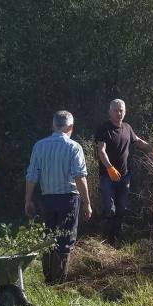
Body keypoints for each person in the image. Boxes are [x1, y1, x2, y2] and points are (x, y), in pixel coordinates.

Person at [25, 110, 92, 284]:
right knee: (66, 239)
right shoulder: (74, 147)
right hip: (69, 199)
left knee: (48, 237)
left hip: (47, 199)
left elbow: (32, 175)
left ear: (53, 125)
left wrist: (28, 200)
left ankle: (48, 278)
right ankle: (59, 282)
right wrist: (87, 203)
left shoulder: (39, 146)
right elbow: (79, 177)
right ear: (70, 126)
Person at [93, 99, 153, 245]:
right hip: (108, 177)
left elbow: (138, 141)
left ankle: (116, 238)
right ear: (110, 112)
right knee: (110, 208)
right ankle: (106, 238)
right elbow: (101, 150)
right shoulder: (104, 129)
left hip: (124, 176)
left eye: (122, 110)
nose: (119, 113)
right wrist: (109, 167)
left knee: (121, 208)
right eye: (116, 110)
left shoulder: (127, 128)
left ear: (125, 111)